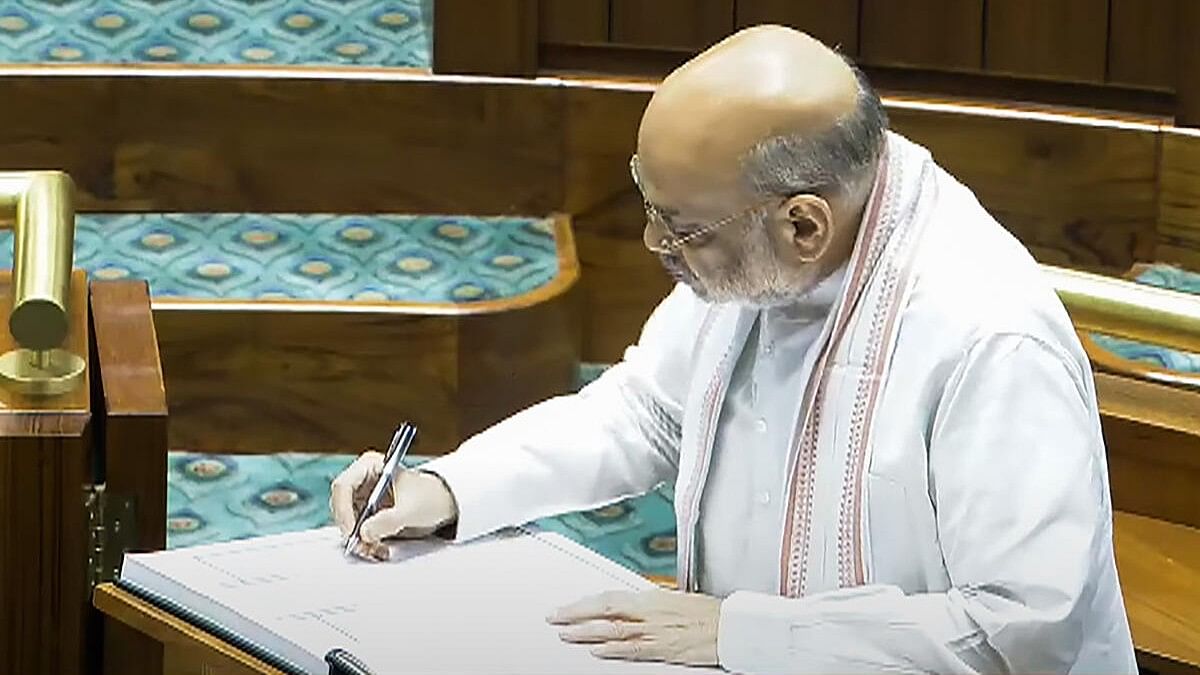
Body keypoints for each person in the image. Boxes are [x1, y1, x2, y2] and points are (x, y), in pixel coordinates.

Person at [330, 24, 1137, 674]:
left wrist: (741, 634)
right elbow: (645, 411)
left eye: (679, 227)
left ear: (804, 223)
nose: (655, 243)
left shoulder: (990, 338)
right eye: (652, 207)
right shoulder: (761, 247)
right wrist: (447, 487)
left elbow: (1025, 633)